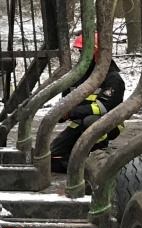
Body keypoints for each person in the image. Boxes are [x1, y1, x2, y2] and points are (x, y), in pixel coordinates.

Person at [49, 33, 125, 172]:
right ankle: (79, 167)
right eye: (80, 52)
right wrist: (60, 113)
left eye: (84, 52)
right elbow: (66, 100)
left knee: (91, 121)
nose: (81, 56)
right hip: (78, 122)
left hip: (107, 123)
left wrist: (70, 113)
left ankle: (98, 155)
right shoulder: (77, 76)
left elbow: (103, 108)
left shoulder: (113, 79)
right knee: (53, 158)